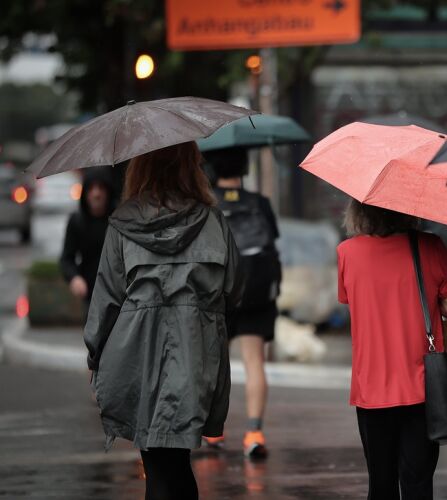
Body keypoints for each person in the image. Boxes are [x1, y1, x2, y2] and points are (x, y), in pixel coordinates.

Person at [84, 142, 242, 500]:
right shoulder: (213, 221)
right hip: (196, 352)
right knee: (176, 460)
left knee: (156, 462)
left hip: (136, 354)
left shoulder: (123, 224)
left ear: (140, 168)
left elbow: (106, 299)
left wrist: (94, 355)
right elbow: (234, 290)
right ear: (191, 166)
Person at [336, 200, 447, 500]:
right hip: (422, 388)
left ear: (360, 210)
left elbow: (350, 300)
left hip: (371, 391)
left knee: (380, 485)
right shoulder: (430, 247)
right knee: (418, 483)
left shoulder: (347, 253)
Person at [204, 148, 282, 459]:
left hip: (220, 294)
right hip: (257, 293)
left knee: (216, 364)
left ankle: (215, 432)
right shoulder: (259, 203)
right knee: (254, 363)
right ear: (245, 167)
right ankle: (254, 431)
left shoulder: (208, 204)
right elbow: (272, 245)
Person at [60, 167, 117, 305]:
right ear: (85, 193)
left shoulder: (119, 220)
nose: (96, 193)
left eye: (101, 188)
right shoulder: (76, 221)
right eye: (91, 188)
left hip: (118, 293)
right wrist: (74, 278)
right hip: (90, 294)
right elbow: (67, 258)